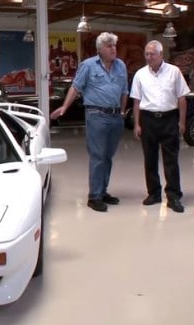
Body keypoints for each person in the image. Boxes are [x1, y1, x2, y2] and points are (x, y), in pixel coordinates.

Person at [50, 32, 129, 212]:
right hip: (96, 115)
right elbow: (76, 87)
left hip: (116, 116)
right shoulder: (88, 66)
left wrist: (123, 112)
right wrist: (64, 108)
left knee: (108, 157)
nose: (113, 49)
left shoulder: (121, 66)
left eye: (114, 45)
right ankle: (94, 197)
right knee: (98, 156)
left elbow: (125, 90)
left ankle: (103, 191)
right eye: (109, 46)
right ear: (100, 49)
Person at [129, 40, 190, 213]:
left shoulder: (174, 72)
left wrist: (182, 122)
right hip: (148, 119)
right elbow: (136, 100)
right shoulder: (140, 74)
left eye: (152, 54)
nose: (148, 57)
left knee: (171, 159)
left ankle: (173, 196)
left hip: (169, 118)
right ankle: (154, 193)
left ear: (161, 54)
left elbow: (182, 98)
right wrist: (137, 124)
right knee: (150, 159)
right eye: (146, 54)